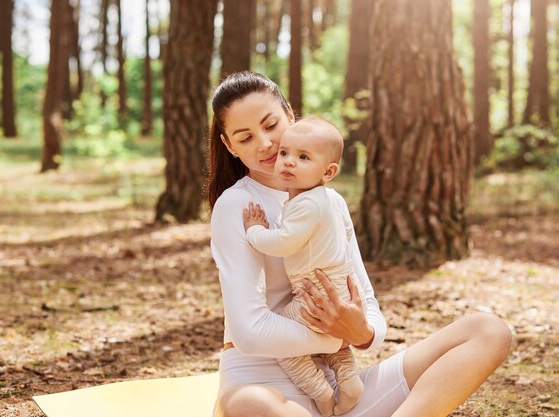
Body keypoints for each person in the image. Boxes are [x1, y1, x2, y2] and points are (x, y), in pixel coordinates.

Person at [207, 71, 512, 417]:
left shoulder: (331, 203)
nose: (265, 144)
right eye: (245, 138)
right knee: (251, 404)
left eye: (271, 124)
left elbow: (366, 304)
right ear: (230, 146)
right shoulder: (238, 206)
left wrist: (362, 332)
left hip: (338, 389)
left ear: (290, 116)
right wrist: (337, 338)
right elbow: (249, 333)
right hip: (261, 384)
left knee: (488, 331)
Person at [241, 116, 364, 416]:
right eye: (285, 153)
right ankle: (348, 379)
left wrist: (255, 231)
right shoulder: (324, 200)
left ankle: (321, 392)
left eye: (303, 157)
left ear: (329, 171)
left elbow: (284, 242)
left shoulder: (307, 204)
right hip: (336, 288)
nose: (289, 162)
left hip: (315, 291)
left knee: (284, 344)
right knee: (330, 339)